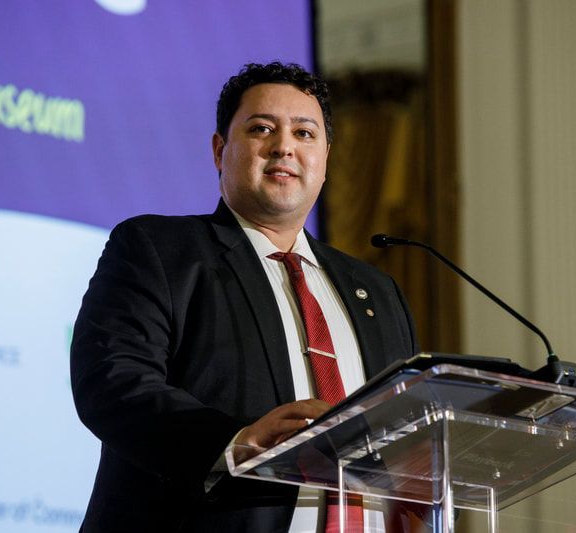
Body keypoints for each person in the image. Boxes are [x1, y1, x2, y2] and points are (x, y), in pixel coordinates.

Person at [70, 62, 419, 532]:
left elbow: (410, 436)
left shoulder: (376, 290)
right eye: (261, 129)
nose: (284, 146)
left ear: (326, 158)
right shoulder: (159, 250)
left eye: (304, 133)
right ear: (220, 150)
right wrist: (234, 442)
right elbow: (112, 382)